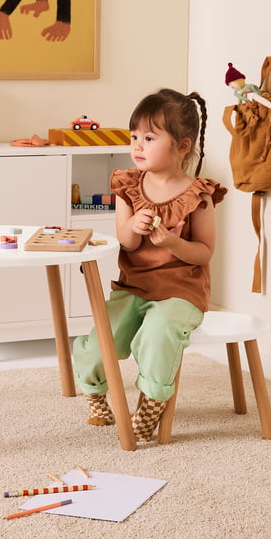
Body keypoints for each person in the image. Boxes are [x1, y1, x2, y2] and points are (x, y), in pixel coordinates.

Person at [72, 88, 227, 442]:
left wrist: (173, 243)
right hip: (135, 286)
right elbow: (125, 243)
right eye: (135, 136)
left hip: (180, 292)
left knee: (157, 336)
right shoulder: (128, 186)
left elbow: (204, 252)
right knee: (101, 339)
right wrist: (134, 227)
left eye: (150, 138)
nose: (138, 145)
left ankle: (151, 404)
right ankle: (95, 393)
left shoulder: (197, 194)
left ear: (182, 147)